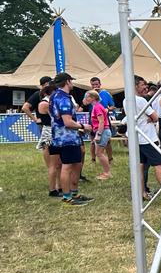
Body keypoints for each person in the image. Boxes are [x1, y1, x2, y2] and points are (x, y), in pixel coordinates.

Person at [48, 73, 91, 206]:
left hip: (59, 136)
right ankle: (67, 196)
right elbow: (67, 122)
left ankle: (74, 192)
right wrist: (83, 126)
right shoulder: (64, 99)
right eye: (71, 81)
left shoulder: (54, 96)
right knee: (67, 167)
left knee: (76, 164)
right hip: (67, 138)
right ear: (67, 82)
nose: (72, 83)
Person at [22, 76, 61, 196]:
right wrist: (35, 119)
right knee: (53, 164)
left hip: (49, 130)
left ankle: (58, 186)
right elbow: (25, 107)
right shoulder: (44, 101)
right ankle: (53, 188)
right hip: (49, 131)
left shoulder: (47, 100)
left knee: (56, 163)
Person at [132, 75, 161, 200]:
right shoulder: (141, 100)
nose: (145, 87)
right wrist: (151, 118)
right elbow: (156, 117)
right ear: (135, 86)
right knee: (159, 166)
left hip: (138, 138)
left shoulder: (127, 100)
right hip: (149, 139)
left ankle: (142, 193)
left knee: (141, 167)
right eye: (142, 85)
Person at [83, 90, 112, 180]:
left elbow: (102, 121)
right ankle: (106, 172)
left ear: (92, 98)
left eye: (87, 96)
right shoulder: (96, 106)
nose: (85, 98)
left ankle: (107, 173)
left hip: (103, 131)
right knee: (99, 153)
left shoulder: (97, 107)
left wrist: (98, 134)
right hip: (102, 131)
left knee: (99, 153)